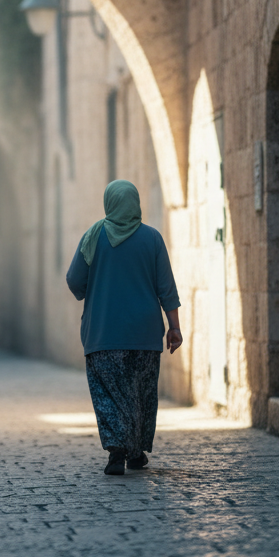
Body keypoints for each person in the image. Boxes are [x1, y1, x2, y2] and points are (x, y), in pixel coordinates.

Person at [65, 180, 181, 476]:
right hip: (144, 336)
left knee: (109, 395)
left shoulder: (94, 236)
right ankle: (137, 452)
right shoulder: (152, 239)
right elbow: (166, 288)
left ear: (109, 203)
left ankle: (116, 451)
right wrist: (174, 328)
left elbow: (74, 281)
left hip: (103, 334)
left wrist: (97, 285)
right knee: (141, 395)